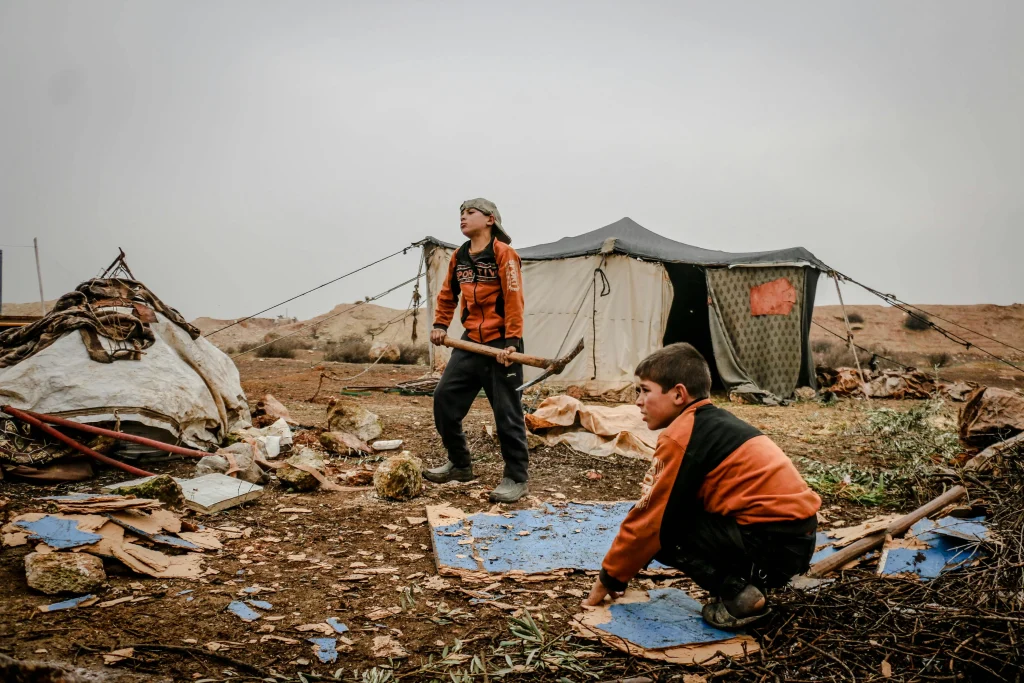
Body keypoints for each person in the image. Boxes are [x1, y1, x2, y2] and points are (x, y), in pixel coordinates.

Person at [582, 343, 820, 629]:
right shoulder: (712, 423)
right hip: (796, 540)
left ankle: (740, 596)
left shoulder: (682, 436)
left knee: (665, 529)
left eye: (645, 390)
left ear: (679, 394)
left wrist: (609, 578)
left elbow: (649, 521)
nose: (638, 401)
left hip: (773, 549)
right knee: (673, 513)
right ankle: (747, 586)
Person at [426, 198, 530, 503]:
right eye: (460, 213)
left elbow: (513, 297)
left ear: (490, 220)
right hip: (470, 342)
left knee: (507, 413)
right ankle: (460, 464)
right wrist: (441, 325)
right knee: (444, 398)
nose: (462, 217)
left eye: (470, 212)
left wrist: (512, 340)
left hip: (502, 344)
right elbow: (448, 294)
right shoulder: (459, 257)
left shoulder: (504, 254)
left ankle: (516, 477)